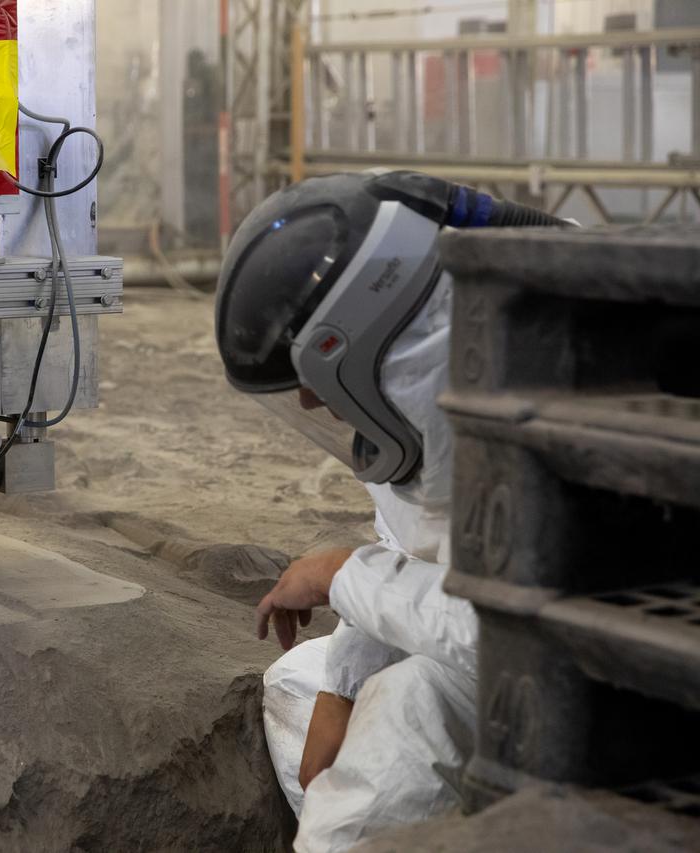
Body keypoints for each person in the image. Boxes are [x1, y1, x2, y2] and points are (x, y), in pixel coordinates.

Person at [213, 171, 568, 852]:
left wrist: (340, 572)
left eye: (316, 383)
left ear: (382, 347)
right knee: (298, 683)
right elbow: (407, 543)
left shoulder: (553, 390)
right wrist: (343, 687)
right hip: (482, 655)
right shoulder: (420, 401)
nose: (312, 405)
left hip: (566, 682)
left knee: (404, 713)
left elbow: (524, 627)